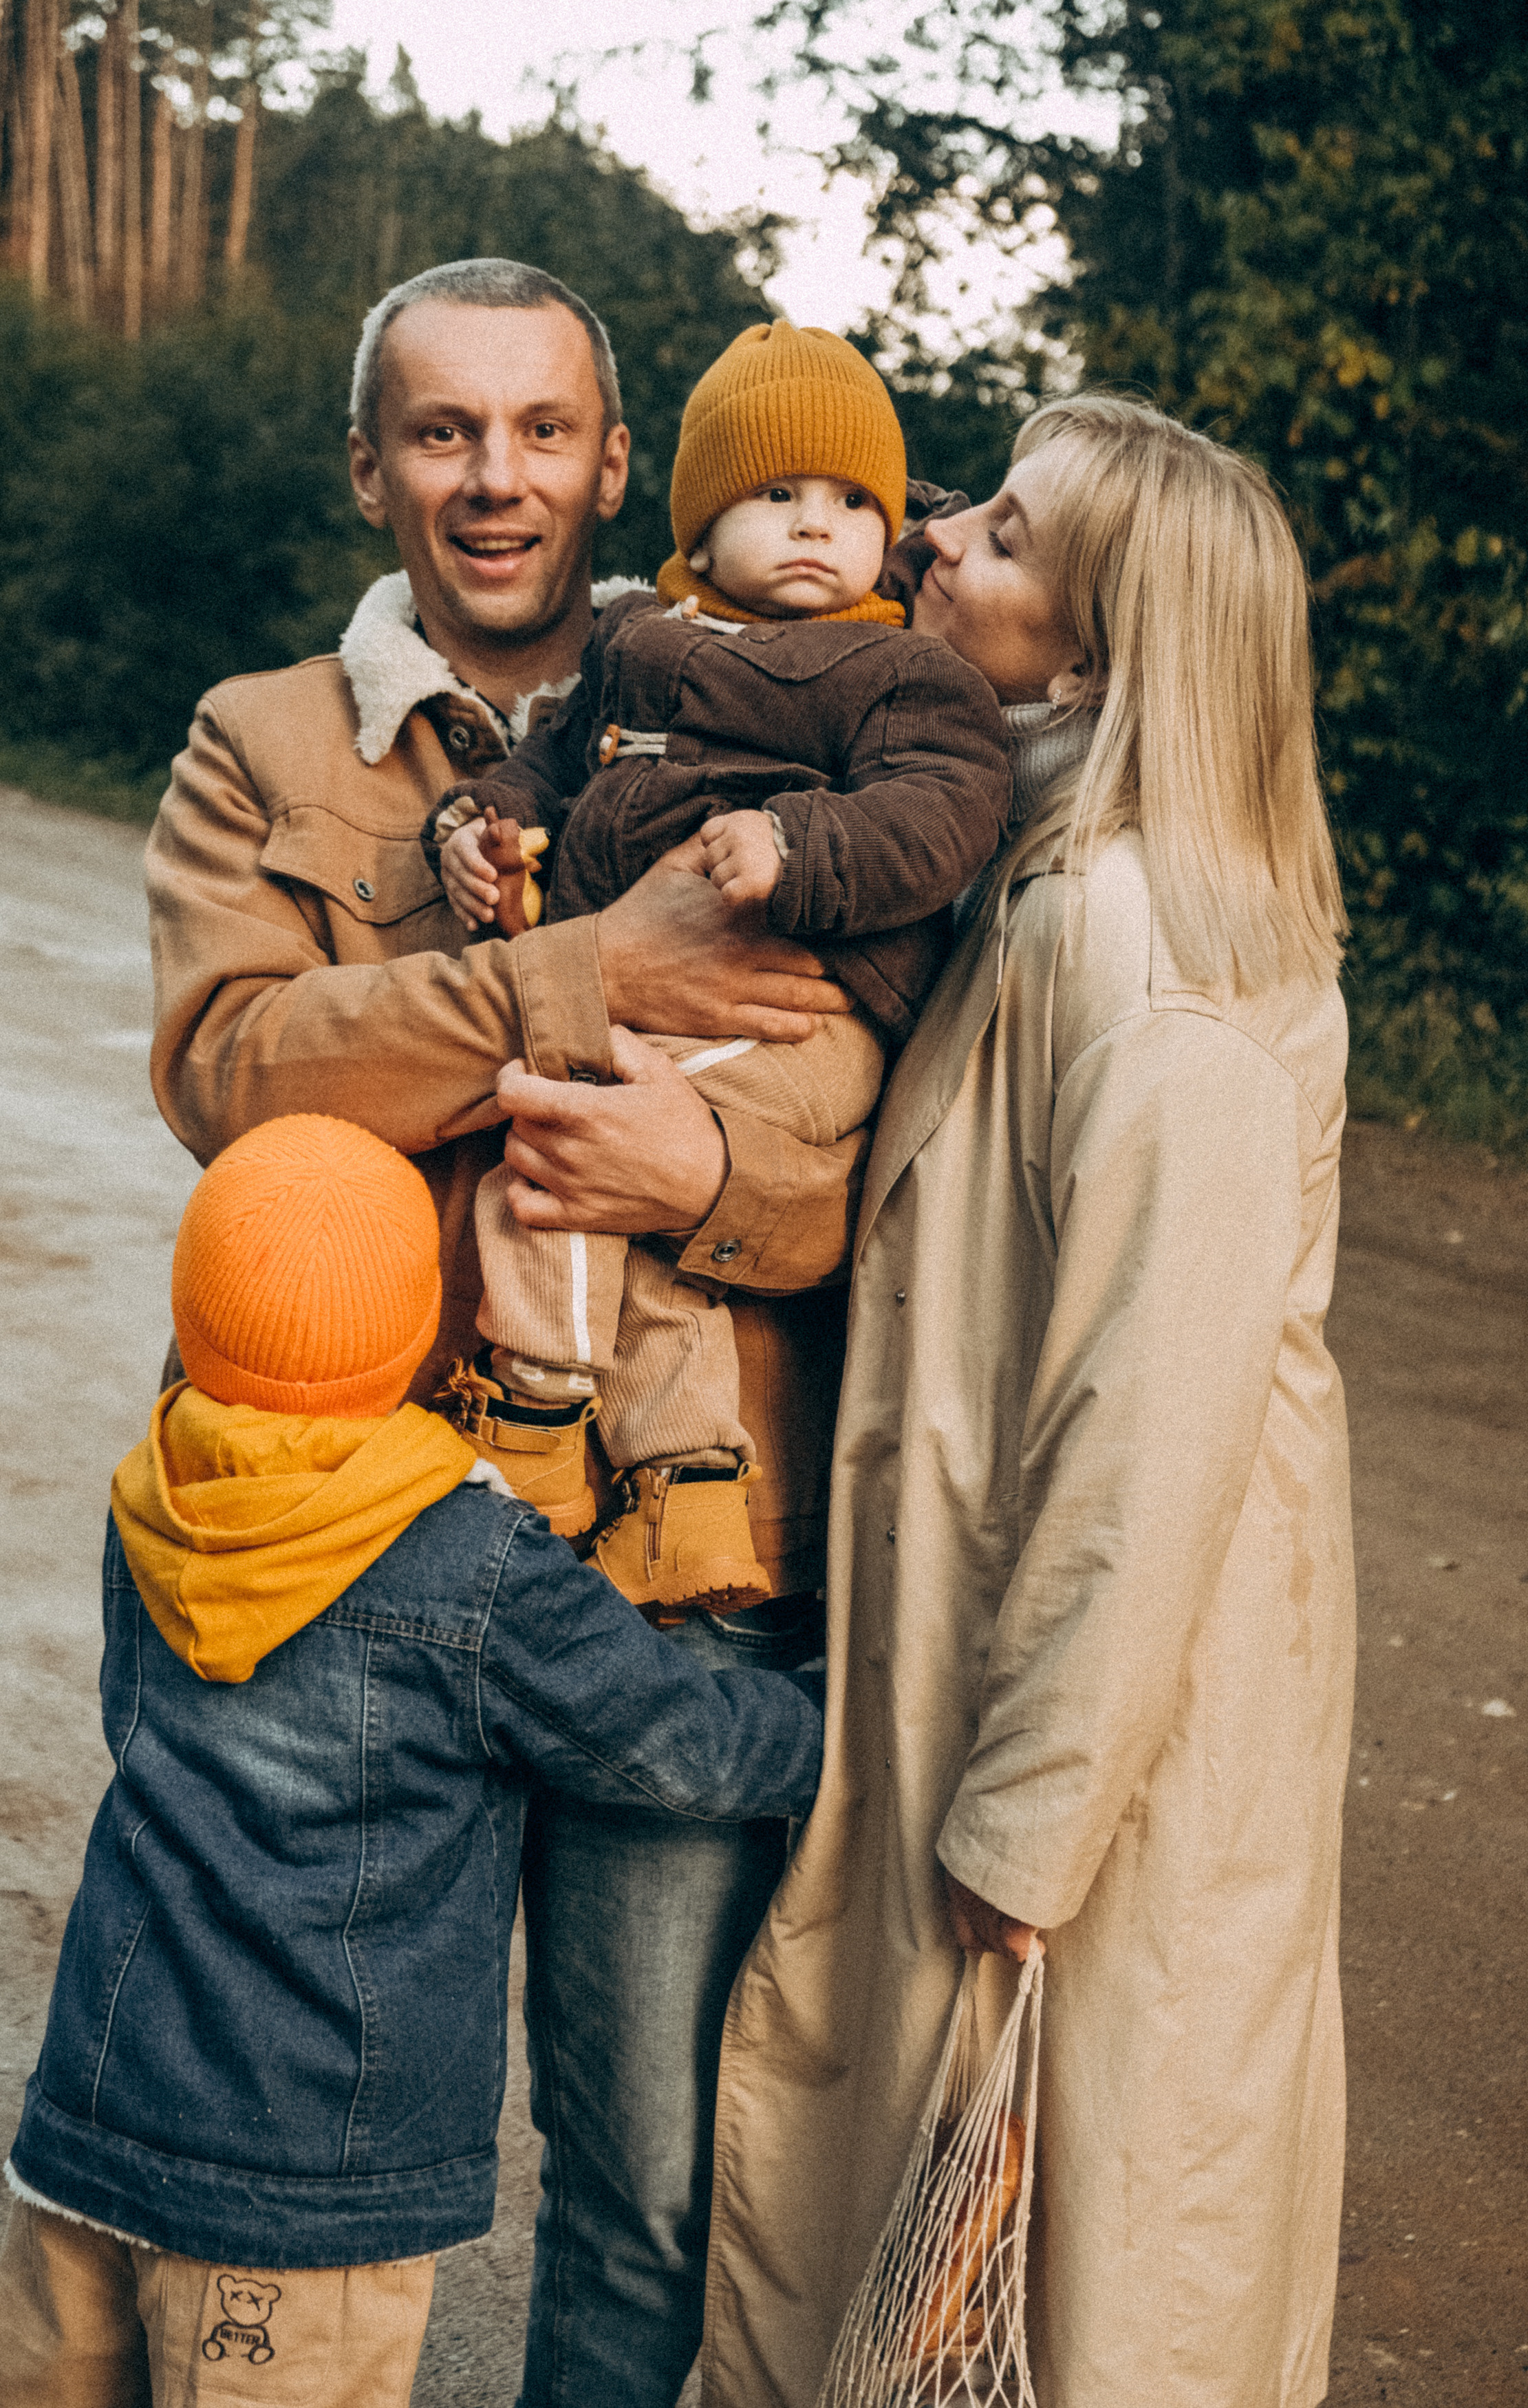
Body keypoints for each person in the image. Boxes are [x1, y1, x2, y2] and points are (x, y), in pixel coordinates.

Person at [542, 396, 1356, 2406]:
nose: (929, 532)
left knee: (1069, 2265)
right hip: (987, 1658)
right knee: (929, 2244)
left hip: (1101, 1737)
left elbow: (1150, 1431)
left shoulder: (1150, 946)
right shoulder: (1037, 867)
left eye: (994, 529)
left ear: (1088, 647)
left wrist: (1028, 1821)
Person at [141, 258, 861, 2407]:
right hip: (363, 1560)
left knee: (645, 2175)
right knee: (319, 2131)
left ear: (615, 463)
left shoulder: (790, 726)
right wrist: (591, 976)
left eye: (542, 430)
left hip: (683, 1565)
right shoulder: (261, 744)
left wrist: (708, 1184)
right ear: (371, 463)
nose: (495, 477)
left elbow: (864, 1137)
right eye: (443, 430)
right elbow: (237, 1076)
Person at [0, 1115, 824, 2408]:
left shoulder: (150, 1491)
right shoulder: (468, 1561)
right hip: (304, 2200)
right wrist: (855, 1717)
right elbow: (690, 1752)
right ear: (423, 1333)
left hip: (93, 2126)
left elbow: (126, 1716)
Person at [426, 322, 1009, 1617]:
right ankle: (683, 1489)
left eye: (852, 501)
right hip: (652, 1006)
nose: (817, 526)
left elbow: (943, 810)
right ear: (698, 521)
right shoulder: (634, 642)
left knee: (560, 1137)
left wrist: (797, 845)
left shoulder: (898, 667)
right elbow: (550, 764)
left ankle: (533, 1409)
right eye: (776, 495)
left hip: (800, 1007)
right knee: (626, 1210)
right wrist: (478, 827)